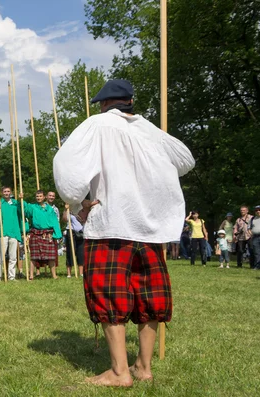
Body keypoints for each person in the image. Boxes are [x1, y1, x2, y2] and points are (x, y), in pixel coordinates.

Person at [53, 79, 195, 387]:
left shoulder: (97, 125)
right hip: (149, 226)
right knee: (149, 294)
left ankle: (119, 373)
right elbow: (185, 160)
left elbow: (67, 168)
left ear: (104, 104)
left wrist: (78, 200)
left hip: (111, 223)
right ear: (130, 101)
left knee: (110, 293)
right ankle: (144, 367)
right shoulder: (149, 130)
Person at [22, 190, 62, 280]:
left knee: (51, 257)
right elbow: (24, 209)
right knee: (34, 256)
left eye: (40, 196)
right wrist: (22, 199)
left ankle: (54, 275)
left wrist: (57, 234)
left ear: (44, 197)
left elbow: (55, 222)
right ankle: (31, 275)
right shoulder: (32, 207)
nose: (38, 198)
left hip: (48, 234)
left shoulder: (50, 209)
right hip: (36, 233)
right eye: (37, 196)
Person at [0, 187, 23, 281]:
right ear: (2, 193)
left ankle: (11, 276)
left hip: (13, 232)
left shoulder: (15, 203)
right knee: (0, 257)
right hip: (3, 232)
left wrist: (21, 200)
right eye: (5, 191)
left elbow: (22, 212)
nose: (6, 193)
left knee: (13, 257)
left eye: (8, 191)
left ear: (11, 192)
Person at [62, 205, 84, 277]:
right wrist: (66, 209)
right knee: (70, 252)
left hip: (81, 231)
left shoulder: (81, 206)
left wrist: (77, 216)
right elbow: (65, 219)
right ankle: (69, 273)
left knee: (80, 252)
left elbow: (83, 219)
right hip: (71, 231)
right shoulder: (69, 207)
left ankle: (81, 272)